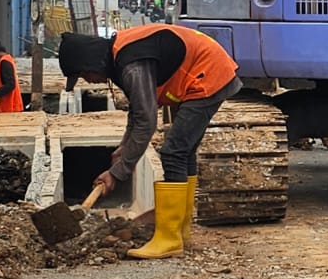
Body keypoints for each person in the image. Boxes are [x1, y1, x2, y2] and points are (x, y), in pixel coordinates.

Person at [58, 25, 242, 259]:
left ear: (92, 63)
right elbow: (136, 110)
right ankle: (181, 230)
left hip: (207, 74)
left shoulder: (131, 65)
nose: (89, 81)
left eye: (85, 74)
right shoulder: (119, 57)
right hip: (205, 69)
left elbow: (146, 121)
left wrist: (118, 172)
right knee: (183, 151)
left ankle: (169, 238)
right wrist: (124, 148)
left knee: (173, 151)